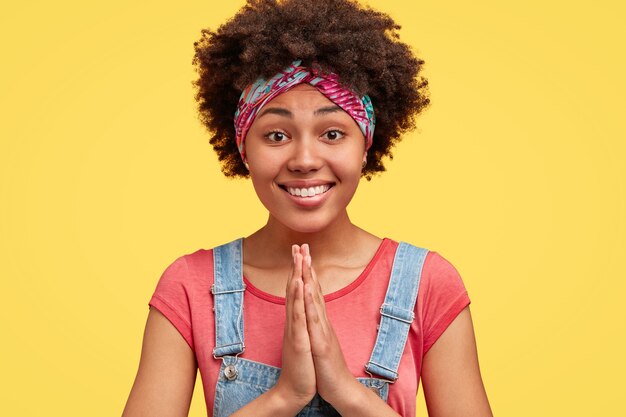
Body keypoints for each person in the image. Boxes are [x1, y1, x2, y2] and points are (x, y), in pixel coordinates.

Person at [122, 0, 493, 416]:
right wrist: (285, 396)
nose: (304, 159)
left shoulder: (427, 284)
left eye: (332, 133)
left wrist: (345, 390)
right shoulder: (189, 287)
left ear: (365, 145)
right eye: (276, 135)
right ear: (244, 149)